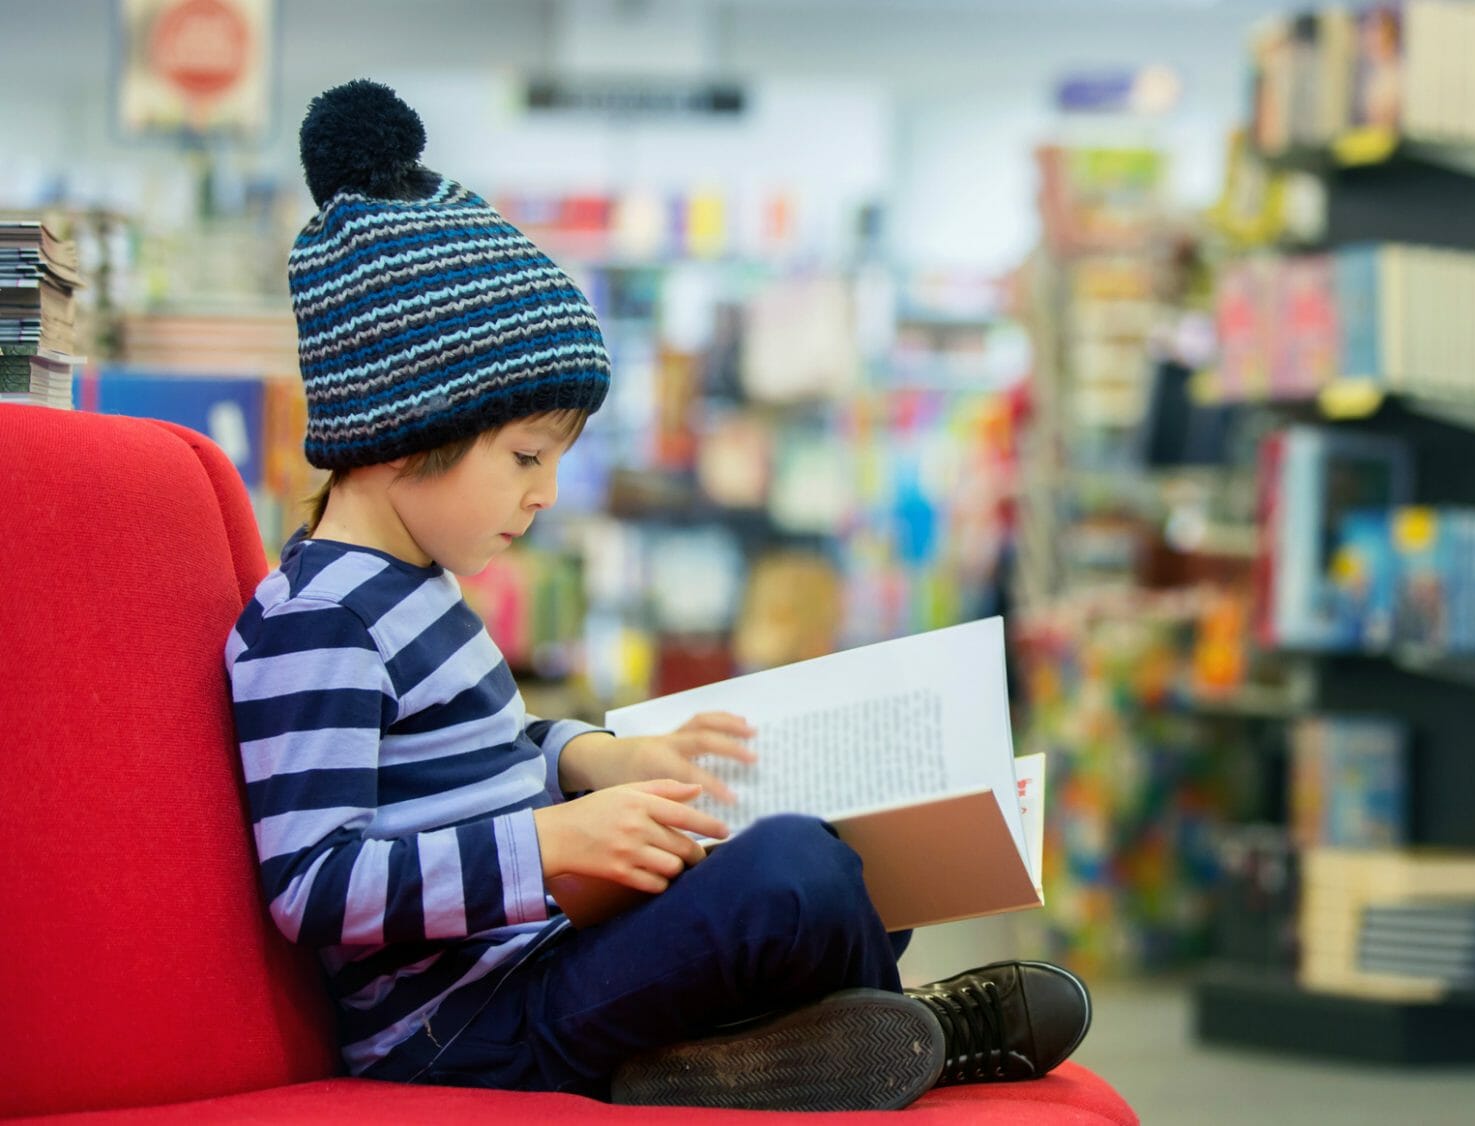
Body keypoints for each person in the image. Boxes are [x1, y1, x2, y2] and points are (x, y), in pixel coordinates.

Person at [225, 79, 1090, 1112]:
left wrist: (597, 757)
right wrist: (546, 847)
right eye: (525, 455)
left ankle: (744, 1054)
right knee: (790, 878)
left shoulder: (416, 585)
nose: (545, 493)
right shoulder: (318, 619)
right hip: (465, 1026)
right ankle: (918, 1034)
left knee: (841, 860)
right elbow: (312, 884)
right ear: (402, 430)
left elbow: (474, 757)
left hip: (540, 959)